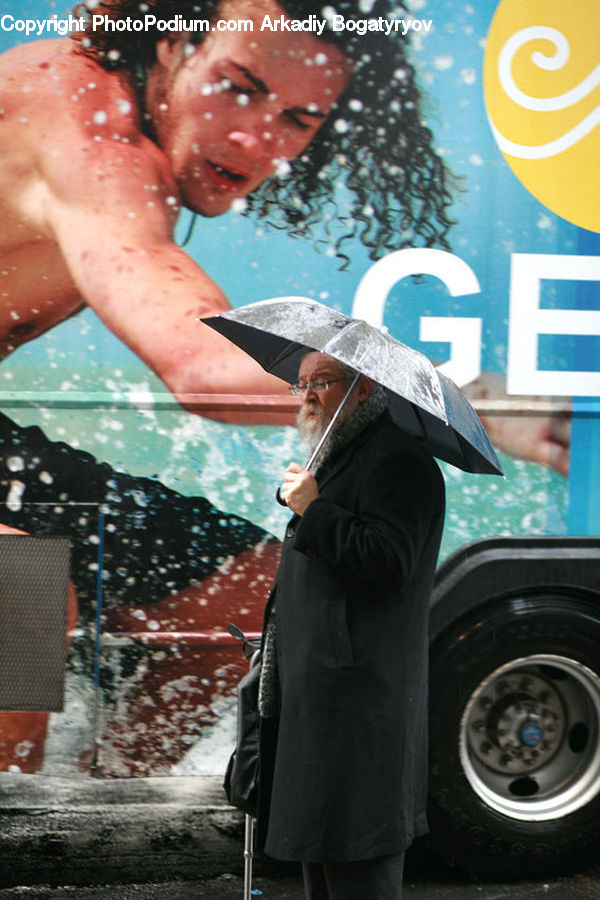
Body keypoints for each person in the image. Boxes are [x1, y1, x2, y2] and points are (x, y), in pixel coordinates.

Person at [257, 350, 446, 899]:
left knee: (357, 862)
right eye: (303, 384)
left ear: (364, 390)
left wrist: (314, 510)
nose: (309, 395)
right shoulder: (341, 456)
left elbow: (391, 560)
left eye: (323, 382)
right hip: (323, 697)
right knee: (322, 854)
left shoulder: (400, 461)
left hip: (361, 705)